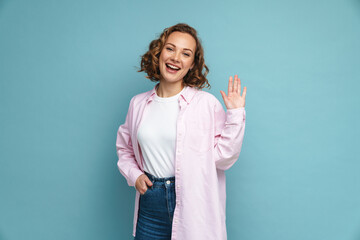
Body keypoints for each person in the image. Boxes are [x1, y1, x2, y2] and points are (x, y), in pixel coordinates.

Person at [116, 23, 247, 240]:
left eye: (185, 53)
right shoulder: (137, 104)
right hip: (150, 203)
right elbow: (125, 148)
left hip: (193, 204)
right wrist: (134, 174)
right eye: (170, 49)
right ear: (159, 53)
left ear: (192, 64)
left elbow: (224, 158)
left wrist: (235, 114)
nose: (176, 57)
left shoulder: (206, 104)